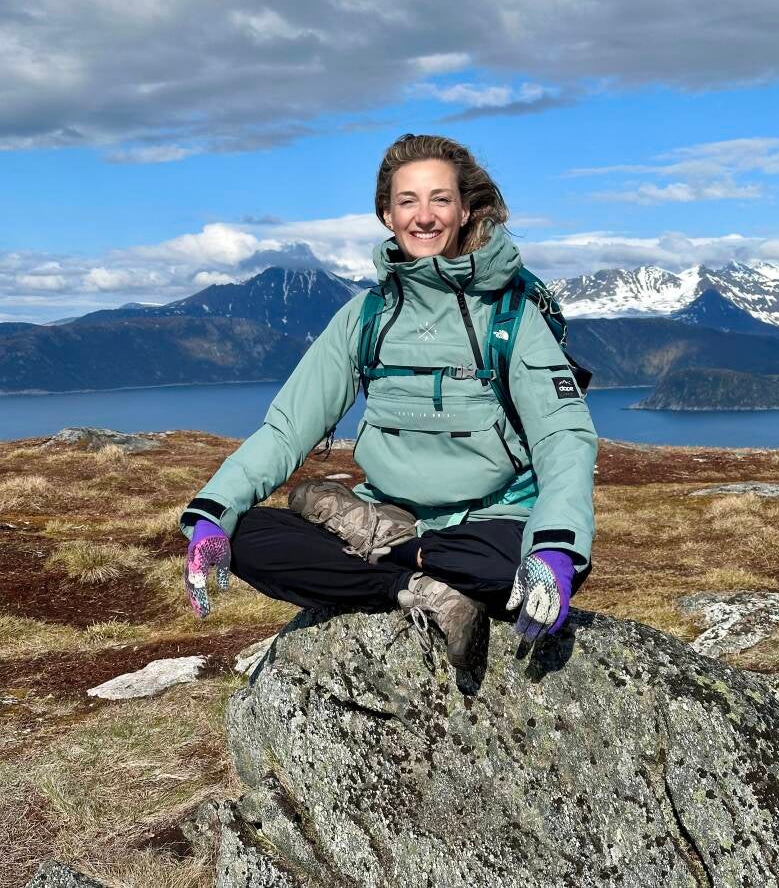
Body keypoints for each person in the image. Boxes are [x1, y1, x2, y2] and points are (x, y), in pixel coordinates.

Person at [181, 134, 598, 668]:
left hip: (492, 519)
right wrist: (213, 513)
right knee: (249, 536)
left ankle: (394, 552)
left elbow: (563, 435)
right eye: (408, 201)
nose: (424, 216)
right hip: (385, 508)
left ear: (464, 209)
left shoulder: (511, 316)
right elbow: (287, 428)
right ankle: (415, 585)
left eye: (440, 199)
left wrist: (555, 549)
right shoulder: (366, 316)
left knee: (516, 569)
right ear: (387, 214)